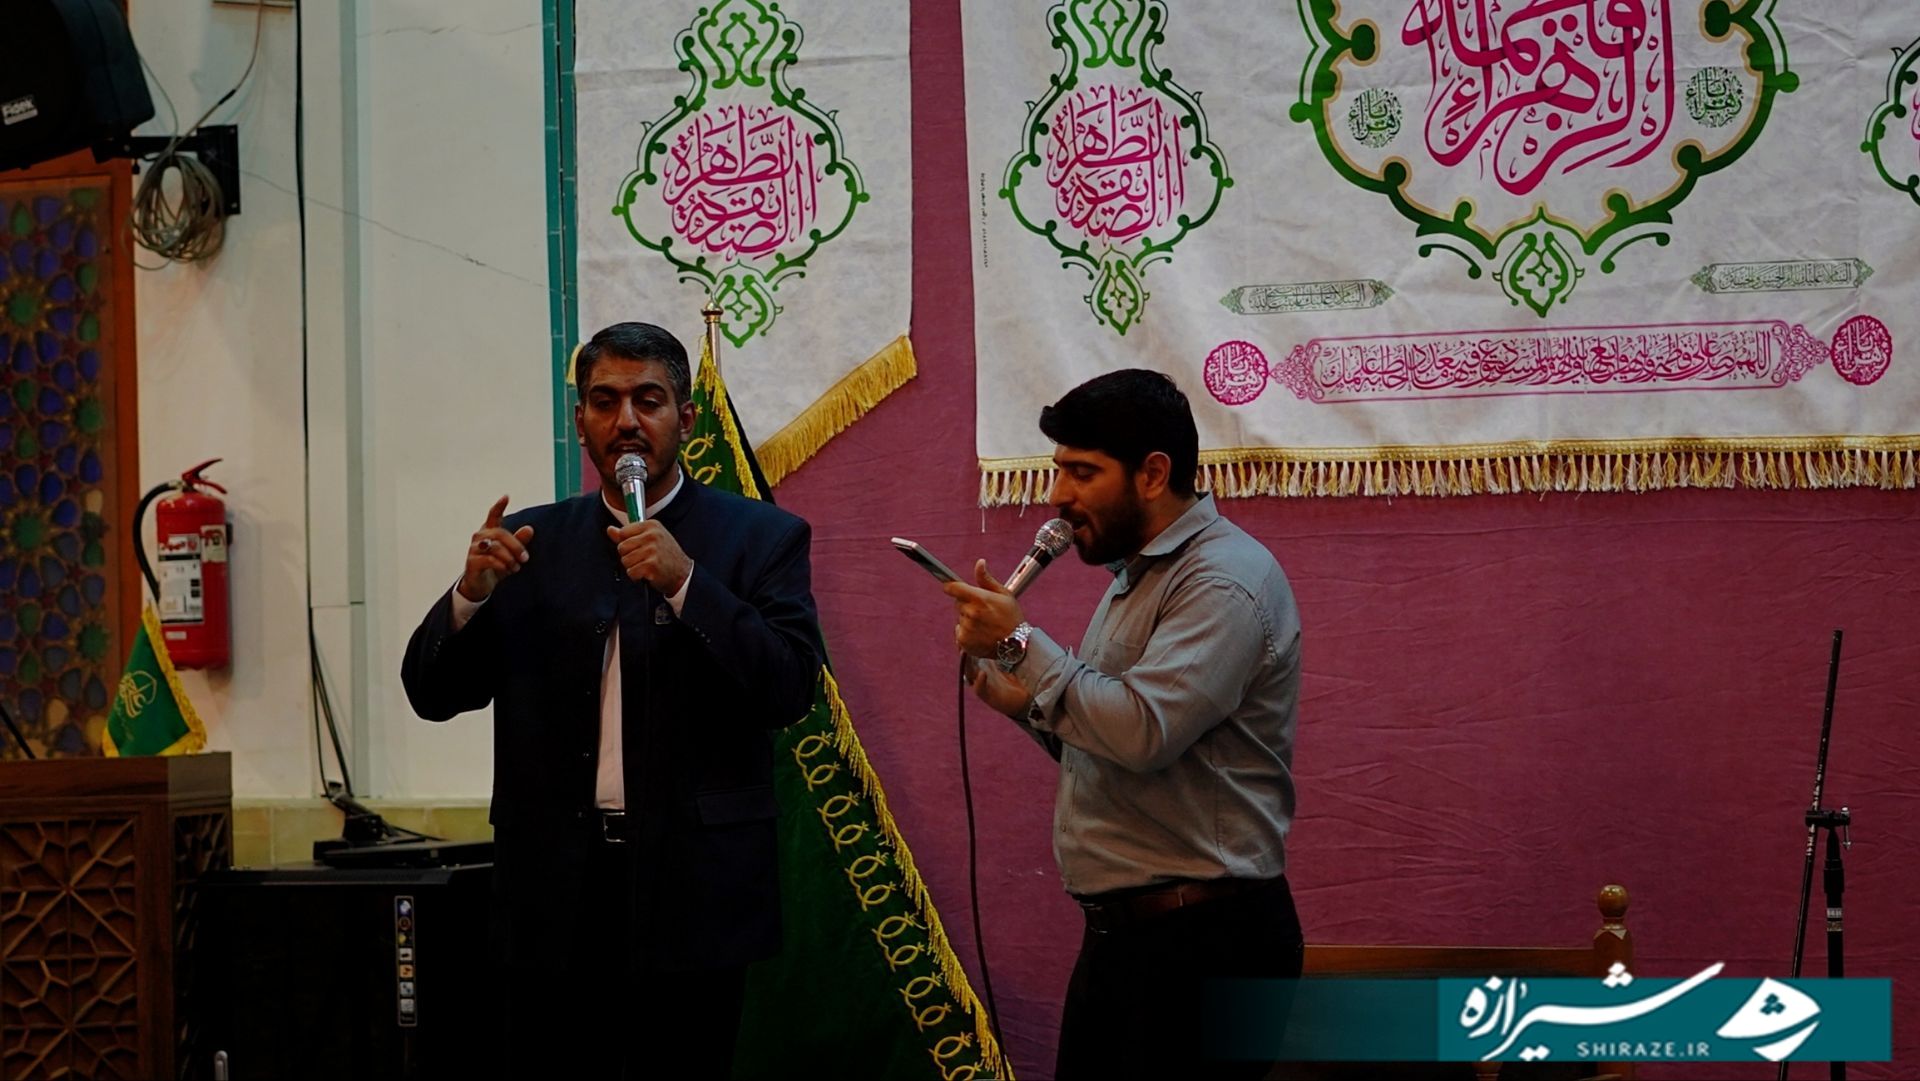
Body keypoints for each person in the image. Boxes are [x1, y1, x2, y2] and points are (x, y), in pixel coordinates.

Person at [401, 321, 824, 1078]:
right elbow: (432, 694)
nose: (626, 420)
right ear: (581, 421)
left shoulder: (761, 538)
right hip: (554, 890)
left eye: (647, 400)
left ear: (685, 419)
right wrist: (470, 594)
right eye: (604, 402)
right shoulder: (532, 543)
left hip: (695, 891)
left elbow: (791, 690)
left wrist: (687, 582)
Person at [946, 368, 1304, 1080]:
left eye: (1083, 472)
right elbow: (1117, 744)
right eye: (1060, 470)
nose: (1059, 495)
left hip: (1205, 946)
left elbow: (1144, 733)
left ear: (1153, 474)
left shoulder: (1221, 581)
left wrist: (1021, 643)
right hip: (1131, 943)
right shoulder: (1140, 578)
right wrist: (1023, 704)